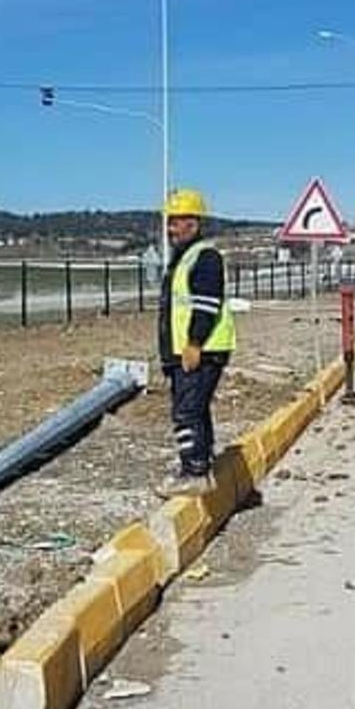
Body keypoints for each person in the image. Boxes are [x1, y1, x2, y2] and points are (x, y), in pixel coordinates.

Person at [155, 187, 236, 497]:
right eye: (170, 221)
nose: (171, 228)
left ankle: (194, 472)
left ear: (194, 222)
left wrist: (194, 343)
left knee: (186, 411)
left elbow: (205, 305)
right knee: (195, 409)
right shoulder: (183, 258)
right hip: (184, 350)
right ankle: (200, 462)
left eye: (177, 221)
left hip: (200, 350)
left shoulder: (205, 257)